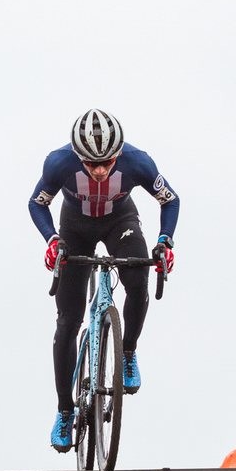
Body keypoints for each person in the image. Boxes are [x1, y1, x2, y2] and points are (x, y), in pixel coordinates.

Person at [29, 109, 179, 452]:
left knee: (138, 279)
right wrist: (52, 239)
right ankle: (65, 411)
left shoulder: (139, 163)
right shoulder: (58, 164)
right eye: (90, 164)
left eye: (107, 162)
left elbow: (171, 200)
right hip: (74, 228)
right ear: (77, 156)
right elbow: (36, 204)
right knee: (68, 321)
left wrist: (165, 241)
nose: (99, 170)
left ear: (120, 153)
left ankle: (127, 352)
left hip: (119, 221)